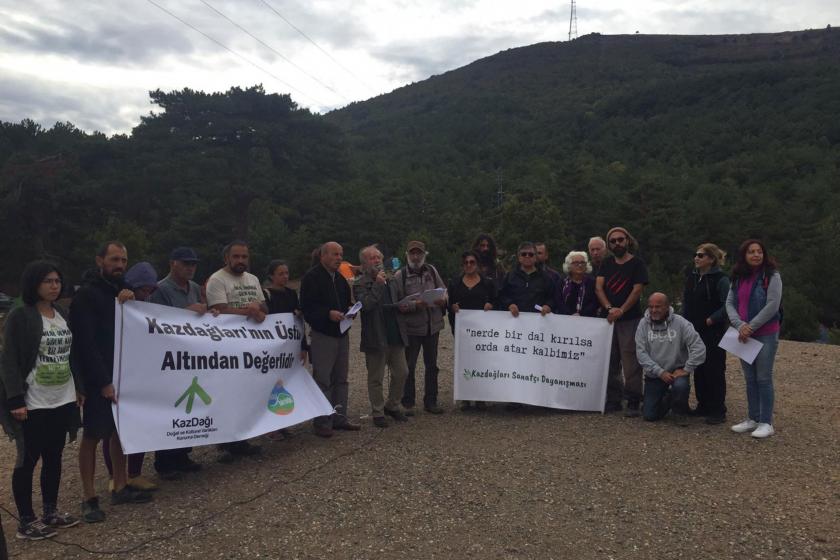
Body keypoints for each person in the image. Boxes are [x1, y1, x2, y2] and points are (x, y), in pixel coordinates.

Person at [70, 241, 151, 524]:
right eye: (114, 259)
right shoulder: (86, 296)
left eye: (124, 260)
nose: (119, 265)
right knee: (92, 436)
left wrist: (129, 302)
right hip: (98, 379)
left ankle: (120, 485)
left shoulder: (121, 292)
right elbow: (85, 343)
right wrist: (102, 381)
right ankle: (89, 497)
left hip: (124, 375)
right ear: (99, 260)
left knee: (119, 433)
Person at [1, 262, 82, 539]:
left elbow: (71, 354)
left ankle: (50, 510)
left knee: (54, 457)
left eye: (57, 281)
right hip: (33, 400)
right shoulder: (20, 316)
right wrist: (14, 399)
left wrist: (78, 388)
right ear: (34, 283)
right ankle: (26, 520)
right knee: (28, 459)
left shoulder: (61, 312)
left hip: (62, 397)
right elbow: (9, 359)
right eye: (48, 281)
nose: (54, 285)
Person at [148, 247, 208, 475]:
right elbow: (156, 320)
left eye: (193, 264)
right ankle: (164, 461)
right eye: (186, 263)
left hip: (191, 356)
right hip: (170, 356)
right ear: (173, 263)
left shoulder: (194, 287)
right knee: (171, 408)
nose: (191, 267)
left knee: (188, 408)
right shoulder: (161, 289)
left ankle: (183, 455)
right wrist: (187, 311)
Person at [101, 261, 158, 492]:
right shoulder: (118, 301)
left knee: (139, 424)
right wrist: (122, 303)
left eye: (150, 290)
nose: (146, 293)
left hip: (141, 373)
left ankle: (134, 473)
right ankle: (115, 476)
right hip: (117, 371)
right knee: (113, 428)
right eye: (143, 288)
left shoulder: (148, 306)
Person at [206, 240, 266, 459]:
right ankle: (227, 442)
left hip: (251, 347)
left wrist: (259, 310)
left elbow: (264, 306)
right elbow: (219, 311)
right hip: (227, 349)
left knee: (246, 394)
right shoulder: (217, 279)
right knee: (227, 395)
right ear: (227, 259)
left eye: (244, 257)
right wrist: (249, 311)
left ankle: (241, 439)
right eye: (236, 257)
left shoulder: (253, 279)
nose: (241, 261)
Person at [300, 241, 360, 436]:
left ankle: (339, 417)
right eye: (335, 254)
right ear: (323, 256)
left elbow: (346, 302)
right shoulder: (312, 278)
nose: (339, 258)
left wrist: (351, 311)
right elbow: (307, 308)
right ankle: (322, 420)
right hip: (323, 334)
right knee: (323, 379)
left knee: (341, 378)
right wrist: (327, 314)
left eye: (340, 254)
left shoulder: (340, 279)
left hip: (342, 333)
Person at [725, 239, 782, 439]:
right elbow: (730, 302)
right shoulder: (738, 277)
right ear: (744, 255)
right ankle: (753, 418)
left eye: (759, 251)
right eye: (751, 252)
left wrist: (751, 326)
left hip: (765, 333)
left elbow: (773, 304)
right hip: (743, 334)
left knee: (763, 377)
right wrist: (740, 325)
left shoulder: (772, 275)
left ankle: (766, 422)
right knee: (750, 378)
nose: (756, 255)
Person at [354, 245, 410, 428]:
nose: (377, 261)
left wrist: (404, 306)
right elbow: (367, 305)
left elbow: (400, 299)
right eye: (372, 258)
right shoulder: (360, 283)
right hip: (375, 337)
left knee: (402, 372)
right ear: (364, 263)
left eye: (378, 257)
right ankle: (378, 412)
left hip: (395, 334)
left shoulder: (392, 280)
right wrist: (378, 284)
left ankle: (392, 405)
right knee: (376, 378)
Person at [595, 227, 649, 416]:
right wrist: (610, 308)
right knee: (610, 360)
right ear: (609, 245)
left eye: (620, 240)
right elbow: (599, 287)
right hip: (608, 319)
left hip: (630, 318)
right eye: (613, 241)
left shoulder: (637, 264)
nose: (617, 243)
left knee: (631, 360)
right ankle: (614, 398)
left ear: (627, 240)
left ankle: (634, 398)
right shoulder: (606, 263)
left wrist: (621, 310)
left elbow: (637, 290)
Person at [636, 293, 706, 424]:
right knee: (650, 416)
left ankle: (679, 411)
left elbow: (699, 347)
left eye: (658, 307)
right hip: (655, 374)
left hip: (676, 373)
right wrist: (660, 372)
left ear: (667, 307)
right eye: (651, 307)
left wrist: (687, 369)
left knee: (680, 386)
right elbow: (641, 353)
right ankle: (669, 397)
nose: (654, 310)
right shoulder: (643, 324)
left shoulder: (681, 323)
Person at [395, 240, 448, 414]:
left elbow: (444, 290)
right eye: (412, 253)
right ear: (407, 255)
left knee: (432, 365)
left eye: (419, 253)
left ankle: (431, 402)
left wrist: (443, 299)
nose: (416, 256)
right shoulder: (400, 275)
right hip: (412, 328)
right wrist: (416, 305)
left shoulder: (432, 271)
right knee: (408, 365)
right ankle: (408, 402)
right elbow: (397, 304)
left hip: (432, 327)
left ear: (424, 255)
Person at [682, 243, 731, 424]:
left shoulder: (721, 279)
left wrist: (712, 319)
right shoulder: (691, 277)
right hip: (693, 330)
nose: (696, 258)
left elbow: (728, 305)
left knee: (715, 369)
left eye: (701, 255)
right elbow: (686, 301)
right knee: (699, 368)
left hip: (713, 331)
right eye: (695, 255)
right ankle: (703, 405)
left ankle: (718, 410)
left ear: (711, 259)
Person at [448, 250, 496, 411]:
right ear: (463, 265)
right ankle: (466, 397)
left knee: (482, 363)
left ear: (478, 265)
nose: (469, 265)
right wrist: (452, 307)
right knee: (465, 363)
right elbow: (449, 305)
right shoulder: (455, 283)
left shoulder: (487, 283)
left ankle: (481, 396)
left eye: (472, 262)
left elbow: (496, 301)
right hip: (463, 331)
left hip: (483, 332)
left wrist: (491, 305)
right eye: (466, 262)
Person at [498, 242, 553, 317]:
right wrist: (510, 304)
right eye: (524, 254)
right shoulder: (509, 276)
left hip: (538, 321)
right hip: (513, 322)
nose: (527, 256)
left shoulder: (546, 277)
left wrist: (548, 306)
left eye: (531, 254)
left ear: (535, 257)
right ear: (519, 256)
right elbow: (501, 295)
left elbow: (552, 297)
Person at [554, 251, 599, 317]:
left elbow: (595, 302)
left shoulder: (592, 282)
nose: (580, 265)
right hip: (564, 319)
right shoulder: (562, 282)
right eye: (576, 263)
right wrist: (570, 315)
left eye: (582, 262)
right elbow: (558, 301)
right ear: (569, 265)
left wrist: (581, 314)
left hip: (587, 320)